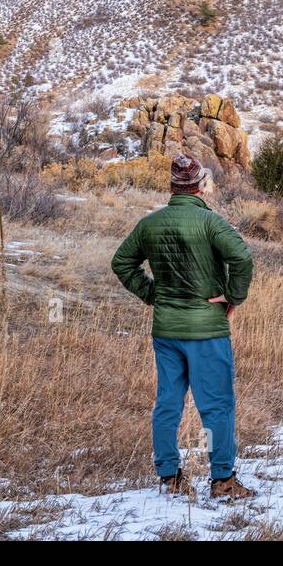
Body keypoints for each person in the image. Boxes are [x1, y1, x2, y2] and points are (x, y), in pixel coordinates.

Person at [111, 152, 255, 500]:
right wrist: (232, 297)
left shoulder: (151, 223)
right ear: (200, 186)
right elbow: (243, 257)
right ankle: (222, 481)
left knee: (168, 403)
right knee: (217, 405)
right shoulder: (211, 222)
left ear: (172, 185)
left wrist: (152, 295)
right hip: (206, 331)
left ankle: (170, 477)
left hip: (166, 330)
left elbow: (122, 263)